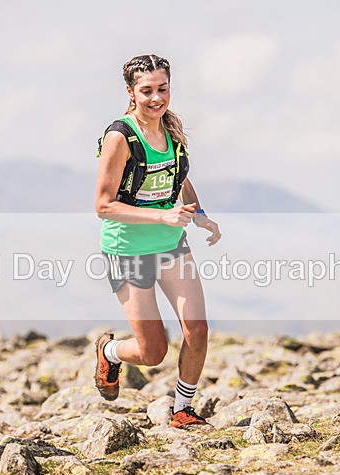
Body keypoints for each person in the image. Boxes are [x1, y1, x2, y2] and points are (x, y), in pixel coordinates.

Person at [94, 54, 221, 429]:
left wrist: (200, 216)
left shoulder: (171, 129)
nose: (155, 98)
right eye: (146, 90)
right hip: (127, 250)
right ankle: (109, 351)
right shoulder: (120, 136)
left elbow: (177, 177)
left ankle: (182, 409)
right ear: (131, 92)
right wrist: (162, 215)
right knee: (152, 352)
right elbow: (103, 205)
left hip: (171, 245)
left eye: (162, 89)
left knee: (196, 329)